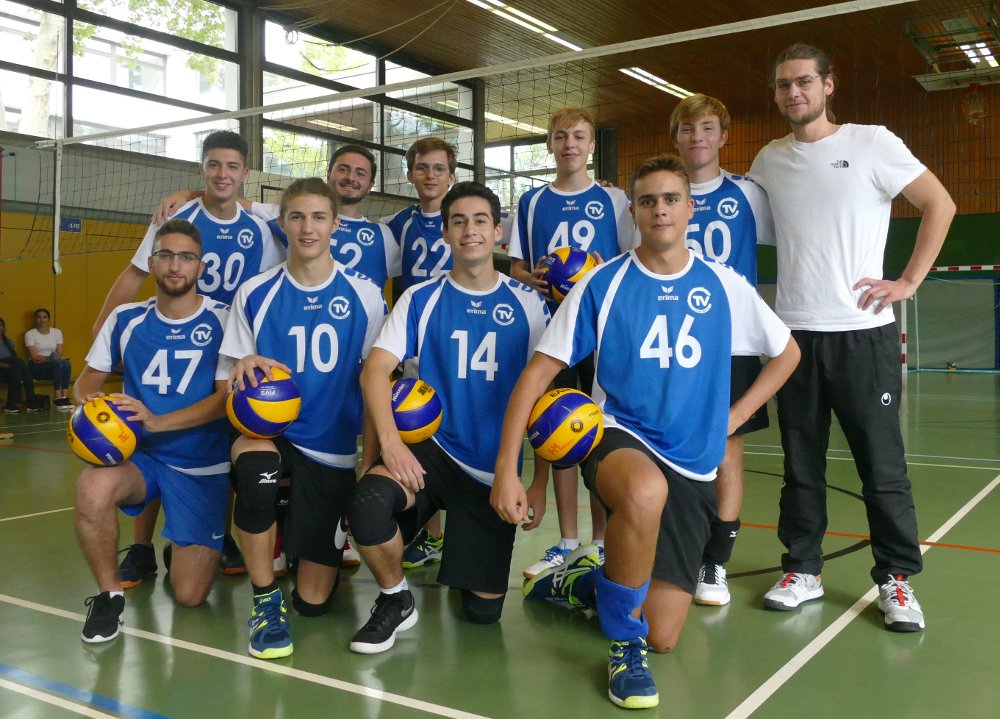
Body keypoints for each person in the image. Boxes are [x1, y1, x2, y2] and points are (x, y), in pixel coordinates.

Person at [492, 155, 798, 709]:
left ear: (691, 208)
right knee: (642, 492)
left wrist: (733, 417)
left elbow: (787, 352)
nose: (660, 209)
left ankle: (581, 583)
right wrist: (507, 472)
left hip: (694, 462)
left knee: (665, 633)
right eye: (648, 200)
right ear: (632, 211)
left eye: (671, 199)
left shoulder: (722, 284)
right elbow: (536, 374)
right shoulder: (601, 285)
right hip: (619, 435)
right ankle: (621, 650)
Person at [749, 43, 955, 632]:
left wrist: (909, 280)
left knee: (881, 466)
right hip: (795, 337)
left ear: (828, 85)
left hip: (864, 335)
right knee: (801, 464)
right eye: (784, 85)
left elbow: (939, 203)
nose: (794, 93)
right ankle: (803, 569)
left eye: (804, 82)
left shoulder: (872, 143)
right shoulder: (768, 159)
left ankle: (895, 579)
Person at [348, 181, 549, 654]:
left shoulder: (529, 303)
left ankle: (547, 583)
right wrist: (391, 445)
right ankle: (395, 598)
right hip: (429, 451)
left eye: (480, 220)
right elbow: (375, 370)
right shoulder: (421, 298)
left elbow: (548, 400)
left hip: (491, 468)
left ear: (498, 232)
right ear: (444, 233)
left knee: (482, 615)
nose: (469, 230)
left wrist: (536, 481)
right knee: (368, 505)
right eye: (458, 221)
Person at [97, 130, 282, 584]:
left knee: (221, 439)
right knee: (153, 432)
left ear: (245, 174)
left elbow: (268, 286)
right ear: (202, 168)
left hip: (225, 342)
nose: (222, 174)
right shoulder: (177, 216)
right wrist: (103, 333)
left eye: (232, 166)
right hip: (166, 330)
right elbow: (136, 272)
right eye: (213, 165)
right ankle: (140, 546)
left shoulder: (260, 227)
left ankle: (218, 536)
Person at [221, 177, 386, 660]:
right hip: (265, 431)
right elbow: (227, 377)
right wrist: (240, 368)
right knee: (255, 472)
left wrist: (369, 462)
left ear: (336, 224)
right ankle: (264, 599)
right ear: (282, 223)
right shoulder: (255, 292)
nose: (307, 227)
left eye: (318, 217)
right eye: (297, 217)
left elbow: (374, 381)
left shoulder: (366, 295)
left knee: (314, 603)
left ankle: (292, 541)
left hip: (331, 446)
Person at [73, 218, 232, 643]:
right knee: (91, 488)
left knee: (190, 595)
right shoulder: (127, 319)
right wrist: (92, 410)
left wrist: (159, 420)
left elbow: (224, 399)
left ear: (200, 266)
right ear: (153, 261)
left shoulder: (224, 318)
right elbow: (86, 382)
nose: (174, 265)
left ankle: (185, 541)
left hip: (201, 466)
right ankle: (109, 597)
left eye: (185, 257)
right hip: (141, 459)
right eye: (165, 255)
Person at [507, 107, 638, 579]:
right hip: (551, 331)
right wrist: (536, 279)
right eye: (560, 136)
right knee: (555, 432)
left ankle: (600, 543)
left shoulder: (615, 200)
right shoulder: (531, 201)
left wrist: (600, 269)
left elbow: (632, 261)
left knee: (599, 432)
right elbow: (517, 266)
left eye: (578, 136)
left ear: (590, 146)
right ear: (549, 144)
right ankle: (565, 540)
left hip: (600, 334)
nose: (569, 144)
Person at [670, 93, 776, 606]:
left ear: (723, 136)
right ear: (676, 139)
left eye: (707, 128)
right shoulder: (661, 195)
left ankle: (715, 562)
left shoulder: (751, 195)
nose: (697, 138)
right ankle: (673, 548)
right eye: (688, 130)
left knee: (727, 448)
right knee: (665, 443)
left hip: (731, 341)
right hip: (670, 339)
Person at [383, 137, 459, 569]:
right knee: (420, 430)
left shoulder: (467, 213)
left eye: (438, 168)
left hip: (459, 332)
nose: (430, 176)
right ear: (411, 174)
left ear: (452, 175)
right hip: (415, 340)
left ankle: (464, 519)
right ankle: (431, 533)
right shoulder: (398, 225)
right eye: (422, 168)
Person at [25, 308, 73, 409]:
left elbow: (59, 354)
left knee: (66, 363)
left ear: (49, 319)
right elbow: (35, 357)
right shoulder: (30, 334)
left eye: (45, 317)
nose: (42, 320)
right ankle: (57, 397)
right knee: (58, 363)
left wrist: (51, 358)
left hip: (54, 366)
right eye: (39, 317)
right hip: (36, 367)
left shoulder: (57, 332)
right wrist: (52, 358)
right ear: (35, 320)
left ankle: (64, 396)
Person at [1, 316, 42, 413]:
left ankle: (12, 405)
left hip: (10, 369)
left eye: (1, 326)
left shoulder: (9, 342)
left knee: (17, 370)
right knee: (20, 365)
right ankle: (31, 402)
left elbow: (14, 358)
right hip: (3, 368)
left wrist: (11, 366)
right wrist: (6, 365)